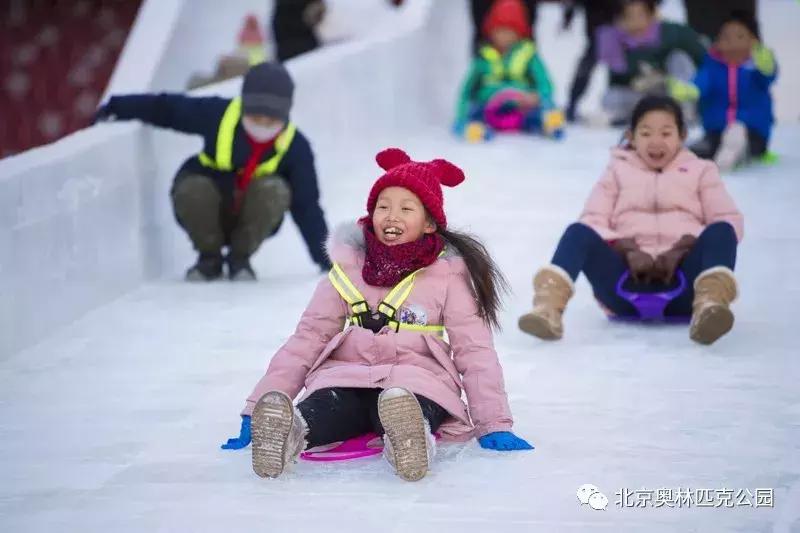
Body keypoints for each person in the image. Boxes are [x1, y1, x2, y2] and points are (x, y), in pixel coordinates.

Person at [222, 148, 532, 481]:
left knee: (408, 405)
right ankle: (289, 432)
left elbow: (474, 348)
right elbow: (309, 337)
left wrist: (493, 421)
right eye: (383, 206)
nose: (391, 215)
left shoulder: (447, 276)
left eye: (406, 208)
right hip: (347, 375)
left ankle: (412, 440)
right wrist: (255, 408)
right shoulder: (347, 269)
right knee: (325, 405)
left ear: (429, 223)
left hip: (418, 378)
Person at [517, 96, 743, 345]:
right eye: (646, 133)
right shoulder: (617, 171)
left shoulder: (702, 171)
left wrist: (684, 248)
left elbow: (728, 220)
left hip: (685, 287)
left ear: (682, 135)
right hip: (623, 286)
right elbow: (594, 218)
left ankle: (710, 305)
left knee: (722, 230)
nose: (656, 142)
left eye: (666, 133)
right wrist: (627, 249)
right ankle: (547, 308)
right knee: (578, 232)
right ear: (631, 136)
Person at [95, 62, 331, 280]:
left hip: (252, 218)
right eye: (255, 116)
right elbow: (167, 108)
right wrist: (118, 106)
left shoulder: (296, 146)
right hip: (207, 209)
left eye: (270, 120)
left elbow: (307, 206)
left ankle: (240, 260)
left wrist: (328, 260)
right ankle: (209, 259)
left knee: (275, 190)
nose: (262, 125)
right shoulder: (218, 115)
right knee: (193, 188)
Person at [671, 10, 777, 172]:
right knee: (701, 150)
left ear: (753, 41)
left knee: (738, 133)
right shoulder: (712, 67)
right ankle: (715, 153)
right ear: (717, 42)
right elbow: (701, 83)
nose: (732, 43)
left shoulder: (756, 67)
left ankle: (734, 153)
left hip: (752, 131)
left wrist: (766, 66)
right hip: (716, 130)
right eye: (726, 38)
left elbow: (768, 77)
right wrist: (689, 90)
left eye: (740, 37)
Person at [454, 0, 563, 141]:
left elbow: (545, 83)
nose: (504, 36)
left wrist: (538, 97)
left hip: (521, 108)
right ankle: (475, 131)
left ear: (519, 33)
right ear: (491, 31)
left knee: (539, 113)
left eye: (509, 31)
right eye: (499, 30)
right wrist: (460, 117)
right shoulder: (483, 57)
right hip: (488, 108)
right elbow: (466, 91)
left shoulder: (528, 55)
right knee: (473, 113)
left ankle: (550, 124)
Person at [595, 0, 705, 125]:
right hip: (642, 95)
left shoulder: (673, 33)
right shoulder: (614, 40)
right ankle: (643, 115)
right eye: (629, 16)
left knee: (678, 58)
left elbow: (702, 58)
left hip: (672, 91)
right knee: (610, 99)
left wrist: (665, 79)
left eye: (640, 15)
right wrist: (636, 82)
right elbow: (615, 82)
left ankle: (684, 112)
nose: (635, 21)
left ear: (652, 15)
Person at [561, 0, 618, 122]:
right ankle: (572, 104)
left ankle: (618, 107)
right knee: (585, 68)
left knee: (618, 69)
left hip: (617, 30)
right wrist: (567, 17)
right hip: (596, 31)